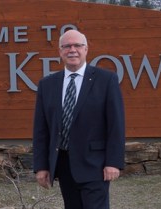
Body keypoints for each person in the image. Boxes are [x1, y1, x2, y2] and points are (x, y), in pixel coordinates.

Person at [32, 29, 125, 209]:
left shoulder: (106, 80)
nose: (72, 50)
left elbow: (116, 125)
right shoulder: (47, 84)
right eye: (67, 46)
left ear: (86, 49)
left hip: (95, 164)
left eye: (77, 45)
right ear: (60, 51)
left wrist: (113, 162)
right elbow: (41, 129)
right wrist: (41, 166)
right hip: (64, 164)